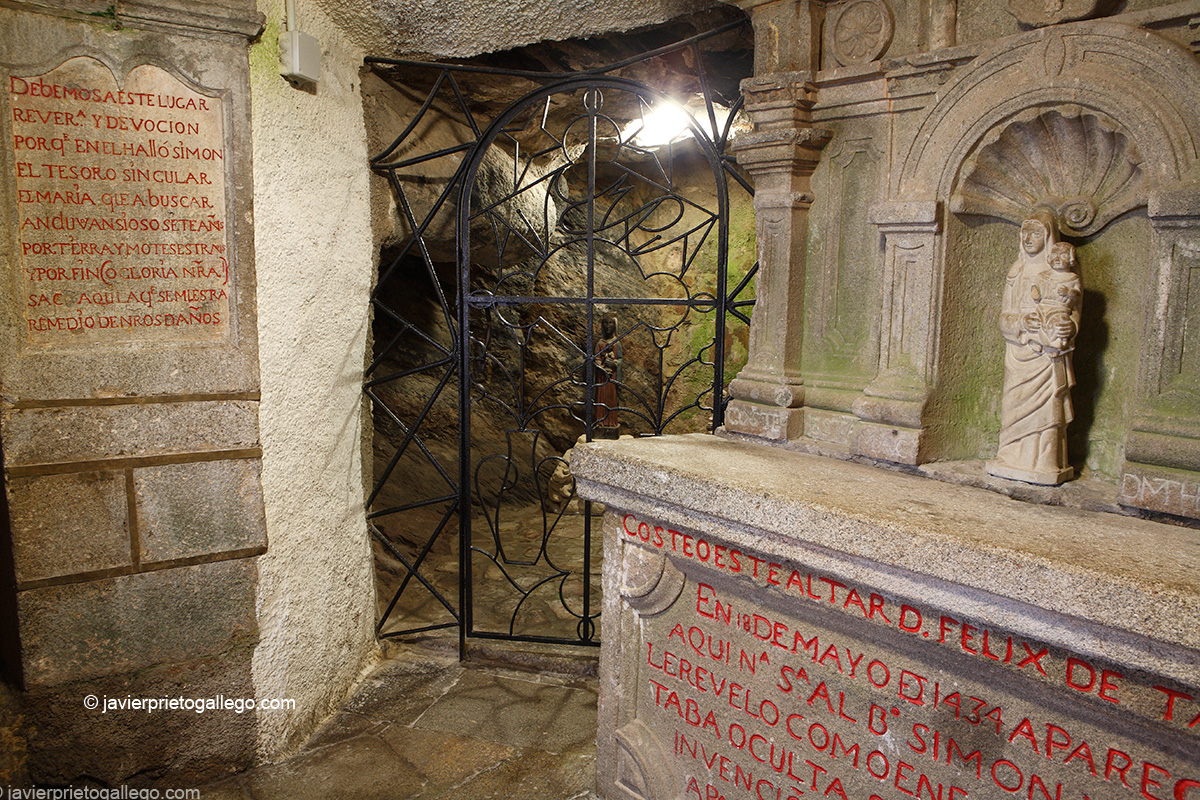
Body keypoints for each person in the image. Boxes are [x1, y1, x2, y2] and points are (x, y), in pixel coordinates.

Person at [987, 213, 1080, 485]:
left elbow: (1073, 315)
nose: (1028, 239)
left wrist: (1068, 329)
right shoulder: (1017, 271)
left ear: (1049, 238)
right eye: (1025, 232)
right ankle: (1011, 455)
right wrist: (1021, 321)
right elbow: (1005, 316)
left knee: (1048, 405)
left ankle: (1045, 462)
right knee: (1015, 402)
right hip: (1020, 349)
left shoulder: (1066, 276)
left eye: (1036, 233)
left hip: (1048, 354)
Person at [593, 317, 623, 431]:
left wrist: (615, 363)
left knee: (611, 399)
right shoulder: (600, 343)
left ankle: (611, 423)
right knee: (601, 399)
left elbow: (620, 359)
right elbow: (596, 358)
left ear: (614, 325)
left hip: (612, 377)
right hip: (602, 377)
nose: (608, 326)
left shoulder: (617, 343)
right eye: (605, 323)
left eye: (610, 323)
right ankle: (600, 423)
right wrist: (601, 367)